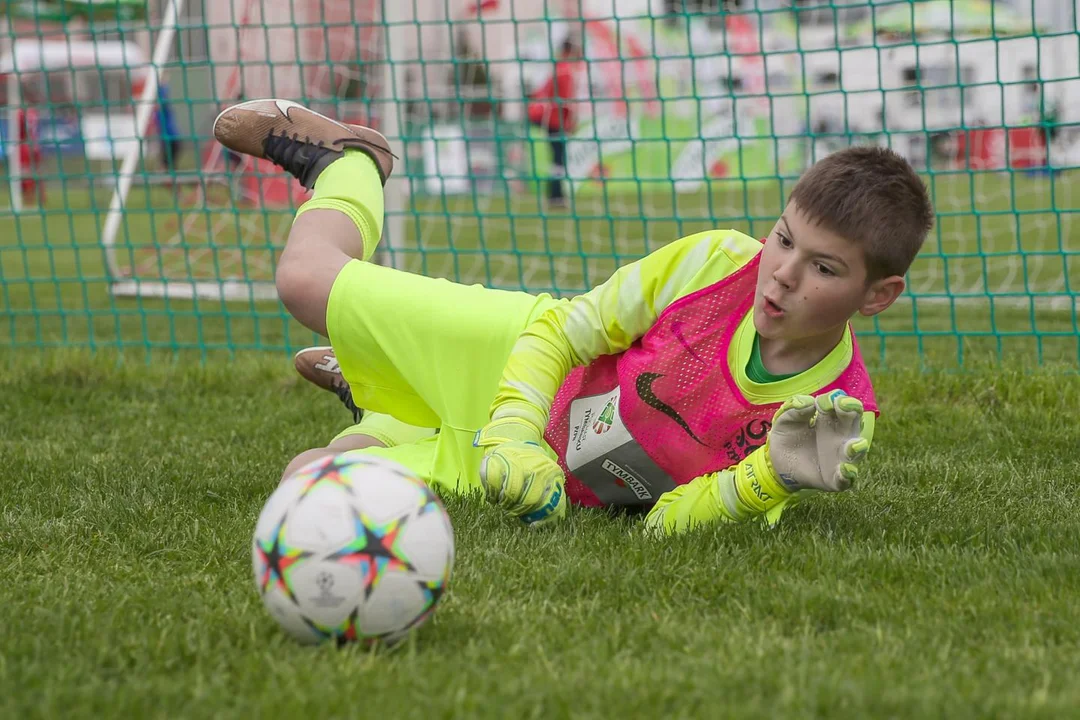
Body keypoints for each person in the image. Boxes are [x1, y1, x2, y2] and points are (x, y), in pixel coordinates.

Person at [213, 98, 934, 535]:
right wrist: (517, 430)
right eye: (784, 239)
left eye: (824, 268)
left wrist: (765, 480)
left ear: (878, 296)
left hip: (543, 477)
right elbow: (563, 330)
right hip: (515, 361)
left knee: (307, 482)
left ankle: (387, 399)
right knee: (305, 283)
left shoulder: (830, 419)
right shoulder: (714, 264)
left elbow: (668, 526)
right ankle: (350, 163)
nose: (782, 274)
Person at [526, 36, 583, 209]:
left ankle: (555, 195)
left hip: (550, 120)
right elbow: (565, 101)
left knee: (557, 160)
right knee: (558, 160)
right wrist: (571, 122)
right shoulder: (565, 71)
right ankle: (555, 196)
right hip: (555, 121)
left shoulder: (557, 69)